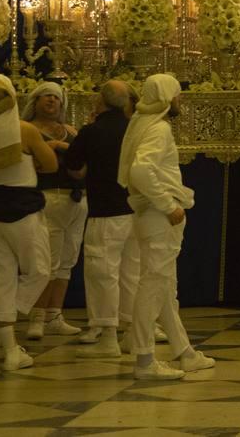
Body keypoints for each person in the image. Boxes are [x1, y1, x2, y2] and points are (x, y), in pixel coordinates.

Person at [118, 74, 215, 379]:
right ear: (168, 97)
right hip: (159, 216)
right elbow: (141, 170)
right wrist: (167, 204)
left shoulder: (142, 123)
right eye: (178, 94)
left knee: (164, 286)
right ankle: (145, 360)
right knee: (153, 284)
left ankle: (184, 352)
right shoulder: (158, 128)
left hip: (151, 215)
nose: (180, 100)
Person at [0, 74, 57, 371]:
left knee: (0, 278)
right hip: (22, 210)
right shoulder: (24, 130)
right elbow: (52, 164)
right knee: (40, 271)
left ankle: (10, 349)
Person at [67, 80, 143, 358]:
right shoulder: (135, 130)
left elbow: (74, 168)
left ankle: (108, 336)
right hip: (134, 210)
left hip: (105, 211)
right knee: (131, 273)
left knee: (102, 272)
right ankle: (132, 331)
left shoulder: (92, 131)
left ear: (101, 102)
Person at [23, 81, 85, 341]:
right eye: (46, 97)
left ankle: (54, 315)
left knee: (67, 260)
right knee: (47, 260)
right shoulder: (28, 130)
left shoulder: (70, 132)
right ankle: (37, 317)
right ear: (35, 102)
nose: (51, 101)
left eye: (56, 98)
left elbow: (83, 161)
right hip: (46, 197)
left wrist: (60, 147)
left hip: (75, 198)